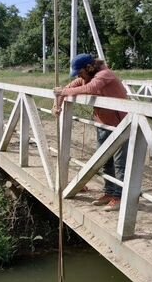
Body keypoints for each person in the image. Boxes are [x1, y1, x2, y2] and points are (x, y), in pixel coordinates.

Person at [53, 53, 128, 211]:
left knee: (120, 162)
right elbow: (65, 90)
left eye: (80, 72)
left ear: (89, 67)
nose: (79, 76)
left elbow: (90, 89)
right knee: (105, 160)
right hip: (103, 123)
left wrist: (63, 93)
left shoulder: (104, 74)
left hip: (122, 124)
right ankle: (109, 193)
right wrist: (57, 105)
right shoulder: (86, 77)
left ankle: (120, 197)